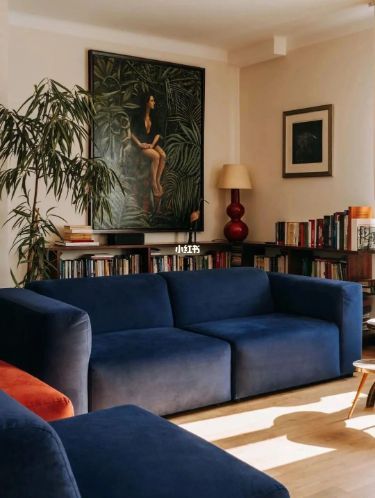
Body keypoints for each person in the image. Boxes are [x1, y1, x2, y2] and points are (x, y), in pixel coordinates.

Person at [131, 95, 166, 197]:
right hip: (142, 144)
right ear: (146, 103)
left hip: (151, 143)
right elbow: (132, 133)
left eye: (154, 100)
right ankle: (153, 183)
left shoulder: (154, 117)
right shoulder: (138, 117)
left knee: (163, 155)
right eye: (152, 100)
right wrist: (139, 144)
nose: (154, 102)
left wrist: (152, 145)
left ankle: (158, 181)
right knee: (156, 156)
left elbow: (158, 134)